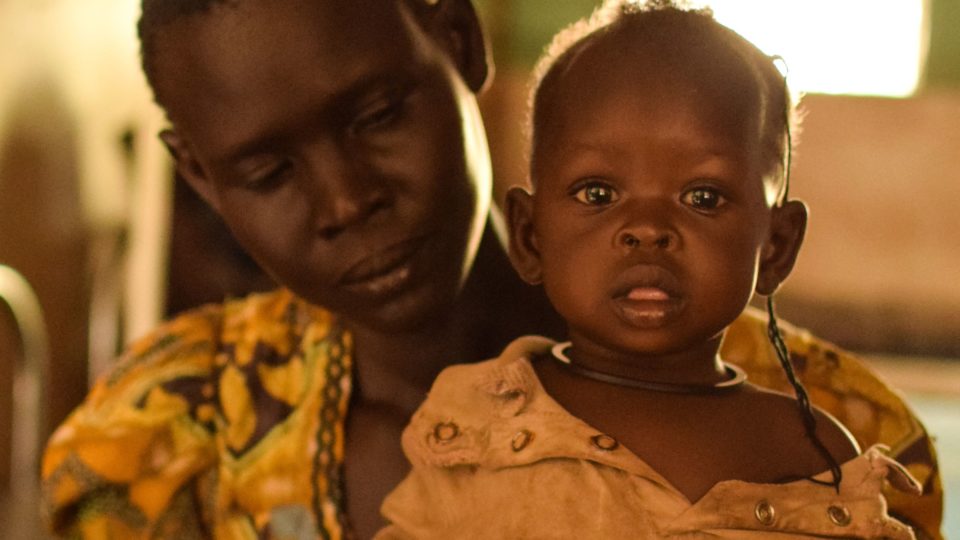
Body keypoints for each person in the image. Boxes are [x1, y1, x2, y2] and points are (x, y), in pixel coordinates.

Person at [40, 0, 942, 538]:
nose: (347, 199)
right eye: (269, 172)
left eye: (378, 115)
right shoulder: (160, 441)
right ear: (198, 173)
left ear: (460, 43)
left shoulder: (849, 445)